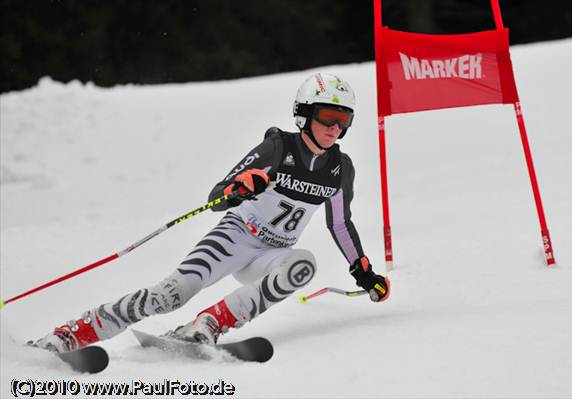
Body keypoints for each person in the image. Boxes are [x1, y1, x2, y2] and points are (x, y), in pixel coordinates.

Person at [33, 72, 390, 353]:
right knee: (169, 296)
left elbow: (341, 223)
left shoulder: (340, 169)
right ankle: (71, 334)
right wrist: (241, 188)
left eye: (343, 120)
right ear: (304, 115)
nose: (334, 128)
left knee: (302, 265)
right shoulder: (278, 148)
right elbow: (217, 197)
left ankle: (208, 325)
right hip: (236, 235)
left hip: (271, 253)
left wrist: (364, 273)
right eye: (328, 116)